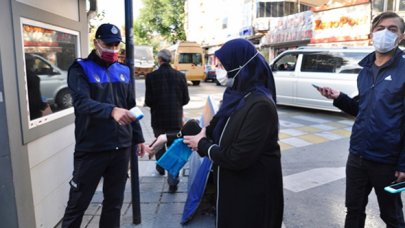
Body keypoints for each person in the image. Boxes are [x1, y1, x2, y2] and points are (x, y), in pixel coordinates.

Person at [148, 39, 284, 227]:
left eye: (221, 65)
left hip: (252, 198)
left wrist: (203, 145)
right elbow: (210, 130)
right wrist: (167, 138)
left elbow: (236, 158)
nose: (218, 69)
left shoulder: (260, 106)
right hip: (234, 192)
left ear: (239, 66)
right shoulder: (236, 97)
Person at [317, 12, 405, 227]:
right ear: (371, 34)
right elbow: (362, 110)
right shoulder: (364, 71)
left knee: (392, 217)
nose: (385, 32)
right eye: (380, 28)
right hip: (357, 156)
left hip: (388, 161)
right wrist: (339, 98)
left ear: (401, 36)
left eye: (392, 29)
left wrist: (404, 163)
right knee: (354, 211)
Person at [62, 23, 145, 228]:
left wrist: (138, 138)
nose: (113, 49)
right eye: (109, 44)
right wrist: (111, 111)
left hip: (121, 148)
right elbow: (81, 103)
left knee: (114, 204)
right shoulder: (80, 68)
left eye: (117, 45)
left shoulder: (123, 70)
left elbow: (130, 106)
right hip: (92, 149)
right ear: (96, 42)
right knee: (77, 205)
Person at [144, 49, 190, 193]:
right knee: (173, 147)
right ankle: (172, 180)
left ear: (159, 59)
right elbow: (186, 99)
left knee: (159, 141)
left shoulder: (151, 77)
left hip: (158, 117)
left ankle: (160, 167)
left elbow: (149, 101)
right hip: (175, 118)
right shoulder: (180, 76)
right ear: (170, 59)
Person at [25, 55, 52, 119]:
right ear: (28, 63)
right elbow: (34, 94)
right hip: (33, 109)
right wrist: (41, 105)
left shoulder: (28, 74)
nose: (34, 64)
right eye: (33, 62)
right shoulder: (30, 76)